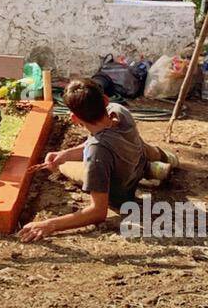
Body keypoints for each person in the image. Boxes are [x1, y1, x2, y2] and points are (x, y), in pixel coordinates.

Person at [19, 78, 177, 243]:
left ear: (74, 118)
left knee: (65, 166)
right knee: (136, 143)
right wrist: (64, 153)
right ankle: (156, 164)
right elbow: (97, 143)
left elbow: (97, 211)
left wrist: (49, 224)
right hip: (137, 162)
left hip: (122, 193)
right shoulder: (120, 111)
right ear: (106, 100)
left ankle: (151, 167)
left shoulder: (97, 154)